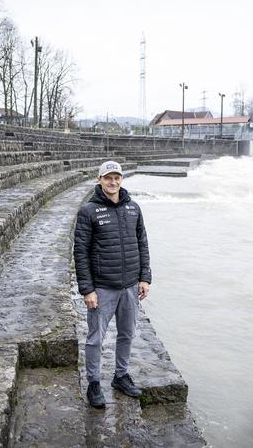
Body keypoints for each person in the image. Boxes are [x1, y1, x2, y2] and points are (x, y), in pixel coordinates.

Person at [74, 160, 152, 408]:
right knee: (96, 338)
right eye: (108, 177)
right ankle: (94, 383)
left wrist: (145, 277)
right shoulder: (88, 211)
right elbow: (81, 253)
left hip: (130, 286)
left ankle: (120, 376)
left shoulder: (133, 209)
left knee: (127, 334)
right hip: (103, 288)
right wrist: (87, 289)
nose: (113, 182)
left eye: (117, 177)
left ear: (121, 179)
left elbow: (142, 244)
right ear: (99, 180)